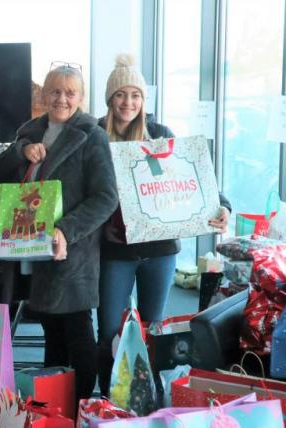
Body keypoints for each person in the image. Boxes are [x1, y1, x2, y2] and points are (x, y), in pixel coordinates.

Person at [96, 54, 232, 396]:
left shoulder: (159, 133)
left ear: (143, 100)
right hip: (114, 249)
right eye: (121, 95)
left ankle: (153, 394)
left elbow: (193, 177)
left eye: (135, 95)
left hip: (159, 250)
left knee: (155, 329)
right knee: (110, 328)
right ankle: (108, 397)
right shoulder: (96, 135)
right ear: (110, 99)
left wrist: (223, 206)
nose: (128, 102)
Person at [0, 63, 118, 400]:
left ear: (81, 97)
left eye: (70, 92)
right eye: (55, 91)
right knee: (51, 331)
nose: (62, 98)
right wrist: (21, 152)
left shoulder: (92, 136)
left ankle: (79, 406)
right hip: (29, 251)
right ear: (44, 94)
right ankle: (54, 408)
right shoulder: (29, 131)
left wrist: (64, 230)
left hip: (70, 251)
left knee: (77, 331)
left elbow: (106, 197)